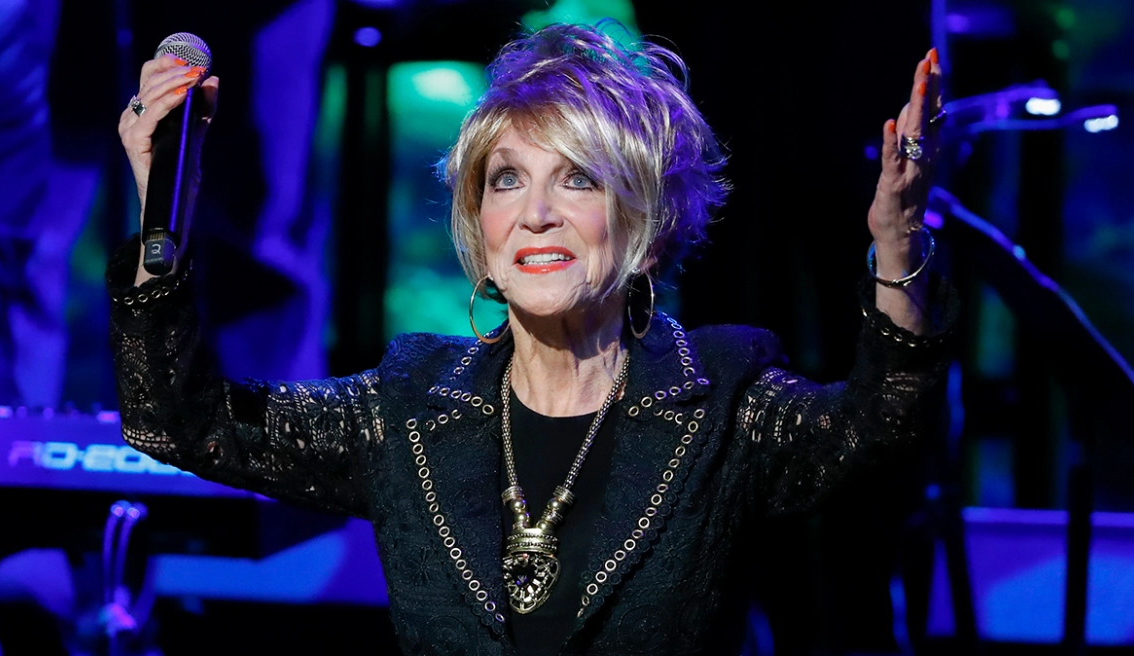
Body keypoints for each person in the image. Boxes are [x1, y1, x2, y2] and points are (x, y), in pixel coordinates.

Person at [110, 22, 955, 656]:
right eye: (507, 179)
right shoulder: (409, 405)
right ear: (480, 228)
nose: (536, 213)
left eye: (577, 179)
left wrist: (897, 247)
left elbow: (884, 426)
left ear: (647, 228)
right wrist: (164, 207)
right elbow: (179, 420)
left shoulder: (723, 400)